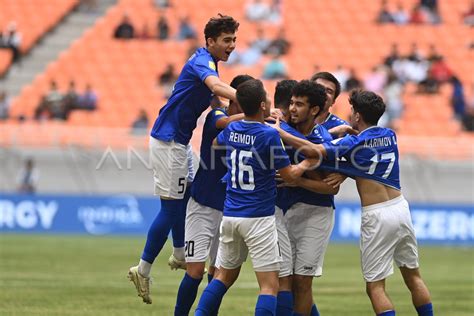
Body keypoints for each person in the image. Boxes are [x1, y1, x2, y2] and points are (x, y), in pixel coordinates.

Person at [274, 90, 434, 316]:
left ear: (357, 116)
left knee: (375, 287)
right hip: (400, 208)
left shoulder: (352, 142)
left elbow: (313, 150)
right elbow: (363, 157)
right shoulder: (390, 135)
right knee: (413, 276)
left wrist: (281, 131)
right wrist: (345, 155)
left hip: (377, 214)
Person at [127, 14, 240, 305]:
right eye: (227, 40)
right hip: (168, 141)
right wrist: (252, 101)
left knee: (187, 195)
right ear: (211, 41)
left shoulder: (209, 62)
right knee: (170, 207)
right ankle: (143, 268)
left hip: (177, 141)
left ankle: (179, 251)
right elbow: (216, 88)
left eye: (234, 40)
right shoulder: (202, 62)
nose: (232, 45)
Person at [195, 79, 316, 316]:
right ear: (262, 105)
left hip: (230, 215)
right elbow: (289, 175)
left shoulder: (231, 129)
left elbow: (215, 143)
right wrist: (306, 163)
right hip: (259, 217)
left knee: (222, 276)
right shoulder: (268, 135)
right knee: (270, 286)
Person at [174, 74, 253, 316]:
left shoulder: (253, 128)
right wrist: (257, 117)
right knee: (195, 271)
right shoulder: (217, 116)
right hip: (202, 204)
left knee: (218, 274)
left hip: (230, 208)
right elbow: (225, 123)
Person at [281, 80, 340, 316]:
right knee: (283, 279)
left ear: (314, 110)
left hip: (316, 213)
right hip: (283, 210)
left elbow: (331, 189)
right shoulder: (281, 126)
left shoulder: (323, 140)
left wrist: (299, 180)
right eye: (292, 103)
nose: (292, 109)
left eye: (299, 105)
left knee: (303, 282)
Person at [310, 72, 349, 137]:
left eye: (329, 91)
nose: (323, 93)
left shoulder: (342, 128)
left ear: (333, 101)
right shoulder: (294, 120)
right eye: (319, 87)